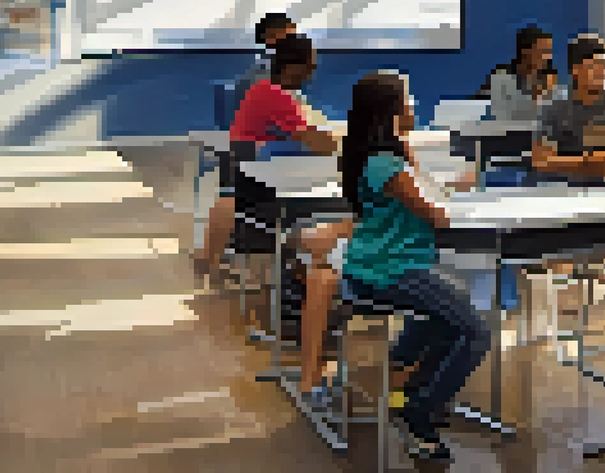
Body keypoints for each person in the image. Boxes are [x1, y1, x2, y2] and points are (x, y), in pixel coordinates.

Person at [336, 71, 492, 460]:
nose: (413, 105)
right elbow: (435, 215)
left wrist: (445, 188)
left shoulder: (381, 156)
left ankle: (412, 396)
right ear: (390, 109)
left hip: (384, 265)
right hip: (389, 271)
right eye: (407, 99)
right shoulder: (386, 163)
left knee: (445, 320)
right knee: (476, 332)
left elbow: (420, 196)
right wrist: (448, 198)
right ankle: (420, 413)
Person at [195, 34, 337, 275]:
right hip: (253, 159)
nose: (312, 74)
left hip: (248, 153)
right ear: (293, 67)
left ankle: (210, 261)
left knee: (233, 196)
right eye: (309, 66)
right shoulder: (278, 96)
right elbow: (316, 142)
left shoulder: (265, 89)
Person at [531, 34, 605, 187]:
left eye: (604, 65)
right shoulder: (553, 106)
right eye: (593, 65)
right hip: (561, 188)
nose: (601, 72)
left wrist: (570, 161)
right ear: (575, 70)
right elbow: (541, 161)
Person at [476, 24, 558, 110]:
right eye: (543, 51)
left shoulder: (548, 79)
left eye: (549, 52)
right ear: (525, 52)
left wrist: (549, 92)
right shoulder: (501, 77)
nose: (549, 57)